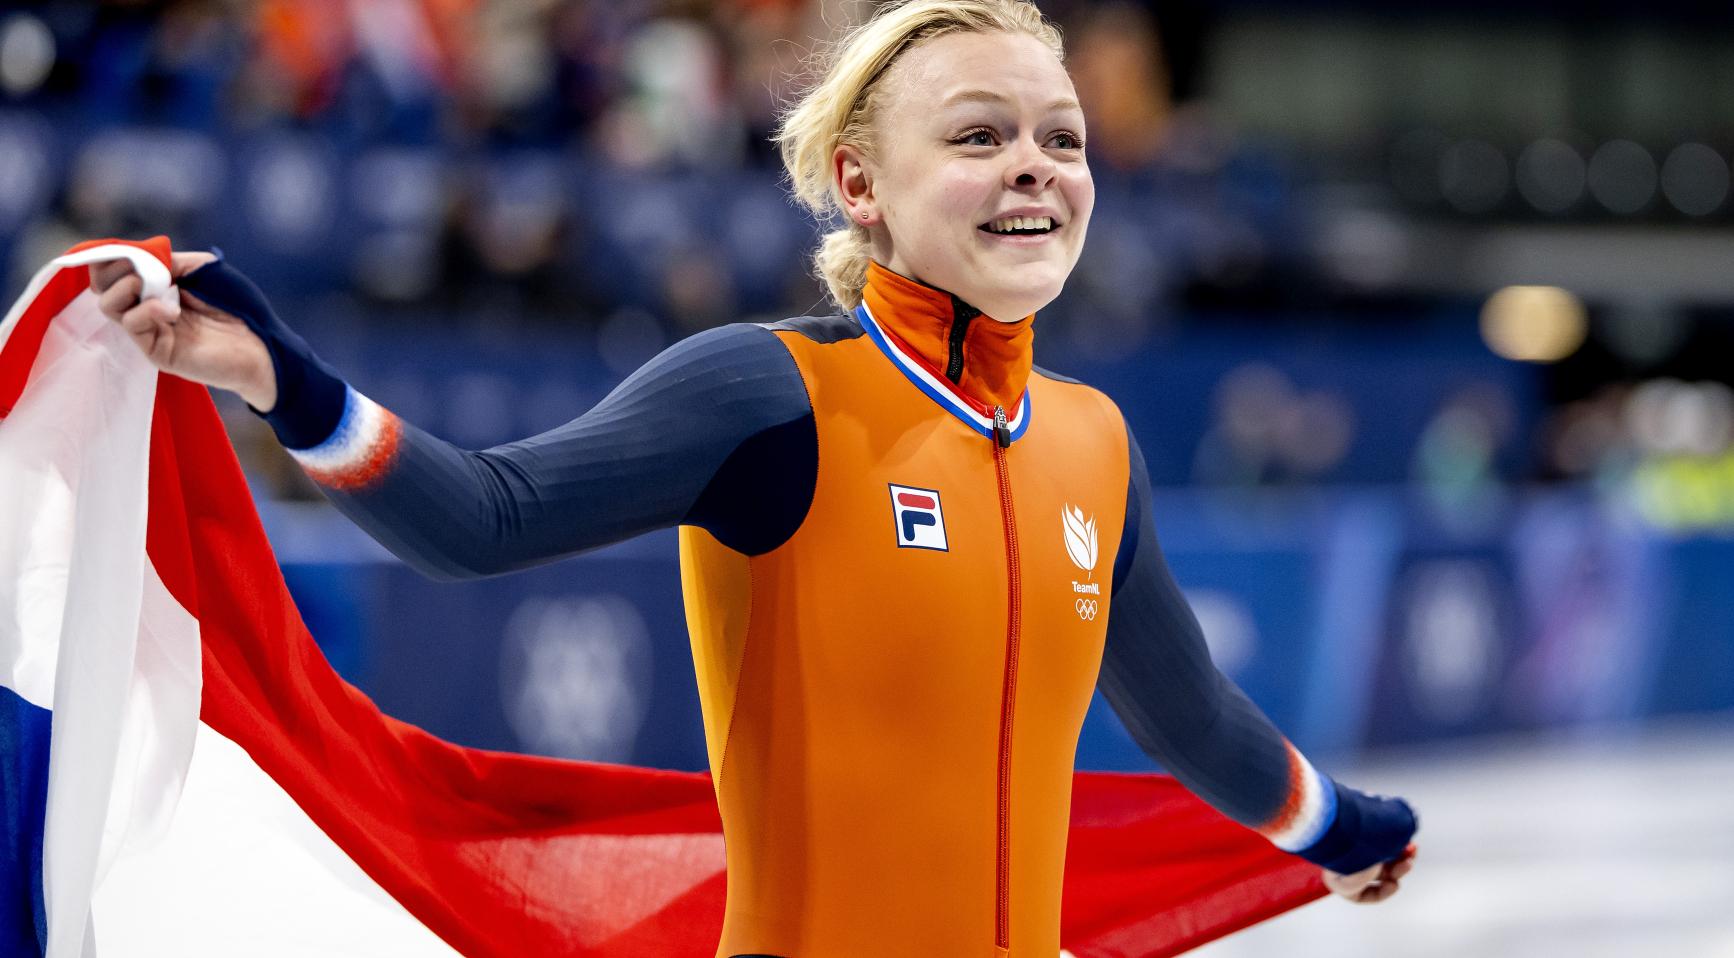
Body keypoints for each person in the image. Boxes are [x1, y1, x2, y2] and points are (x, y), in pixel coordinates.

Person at [89, 1, 1417, 955]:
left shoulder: (1094, 440)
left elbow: (1191, 719)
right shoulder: (769, 393)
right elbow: (481, 519)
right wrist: (284, 380)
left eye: (1060, 139)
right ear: (859, 184)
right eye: (978, 135)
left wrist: (1343, 826)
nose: (1034, 164)